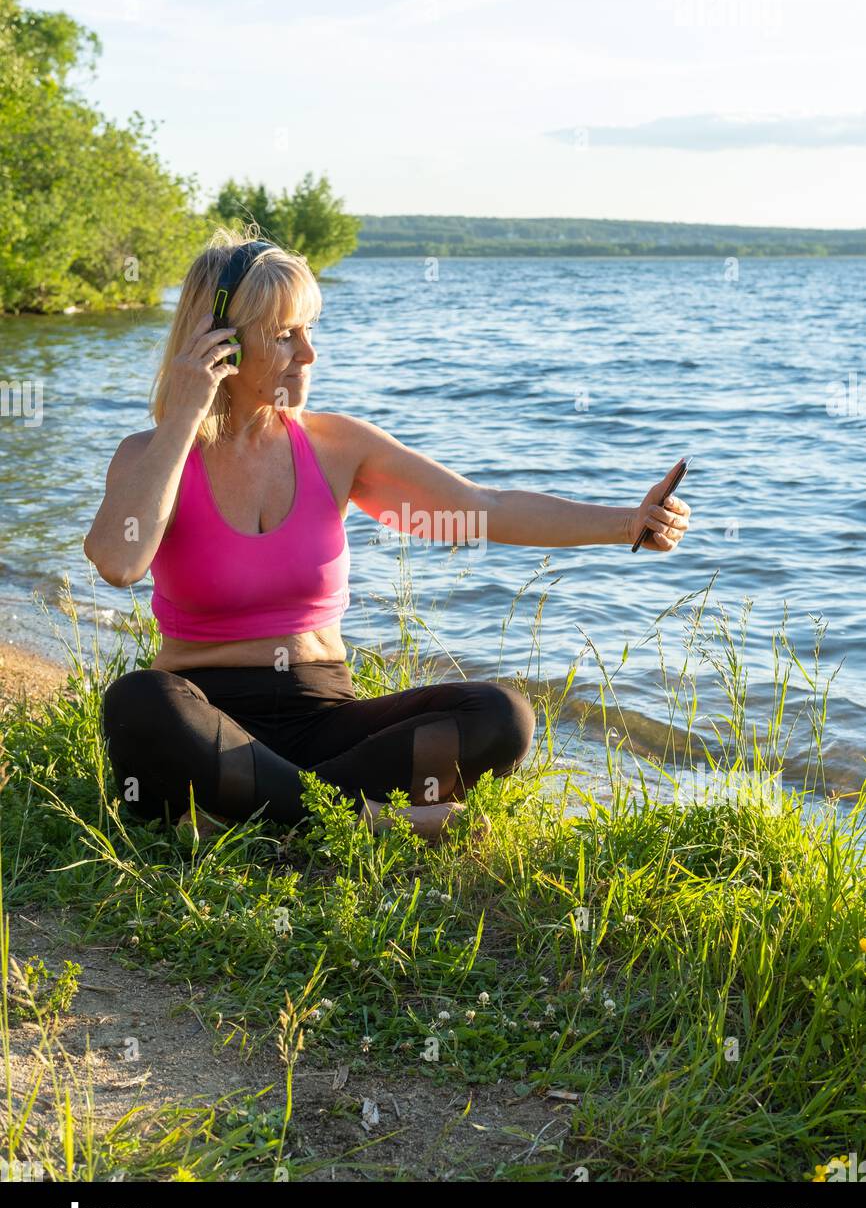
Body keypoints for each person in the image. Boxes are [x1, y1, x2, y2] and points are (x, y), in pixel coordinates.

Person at [84, 232, 691, 842]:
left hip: (326, 718)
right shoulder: (152, 456)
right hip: (203, 714)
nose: (310, 354)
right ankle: (363, 821)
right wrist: (187, 415)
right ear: (220, 342)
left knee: (501, 717)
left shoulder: (336, 448)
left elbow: (480, 508)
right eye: (286, 334)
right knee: (139, 703)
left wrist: (624, 525)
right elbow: (118, 562)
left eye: (311, 329)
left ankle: (254, 812)